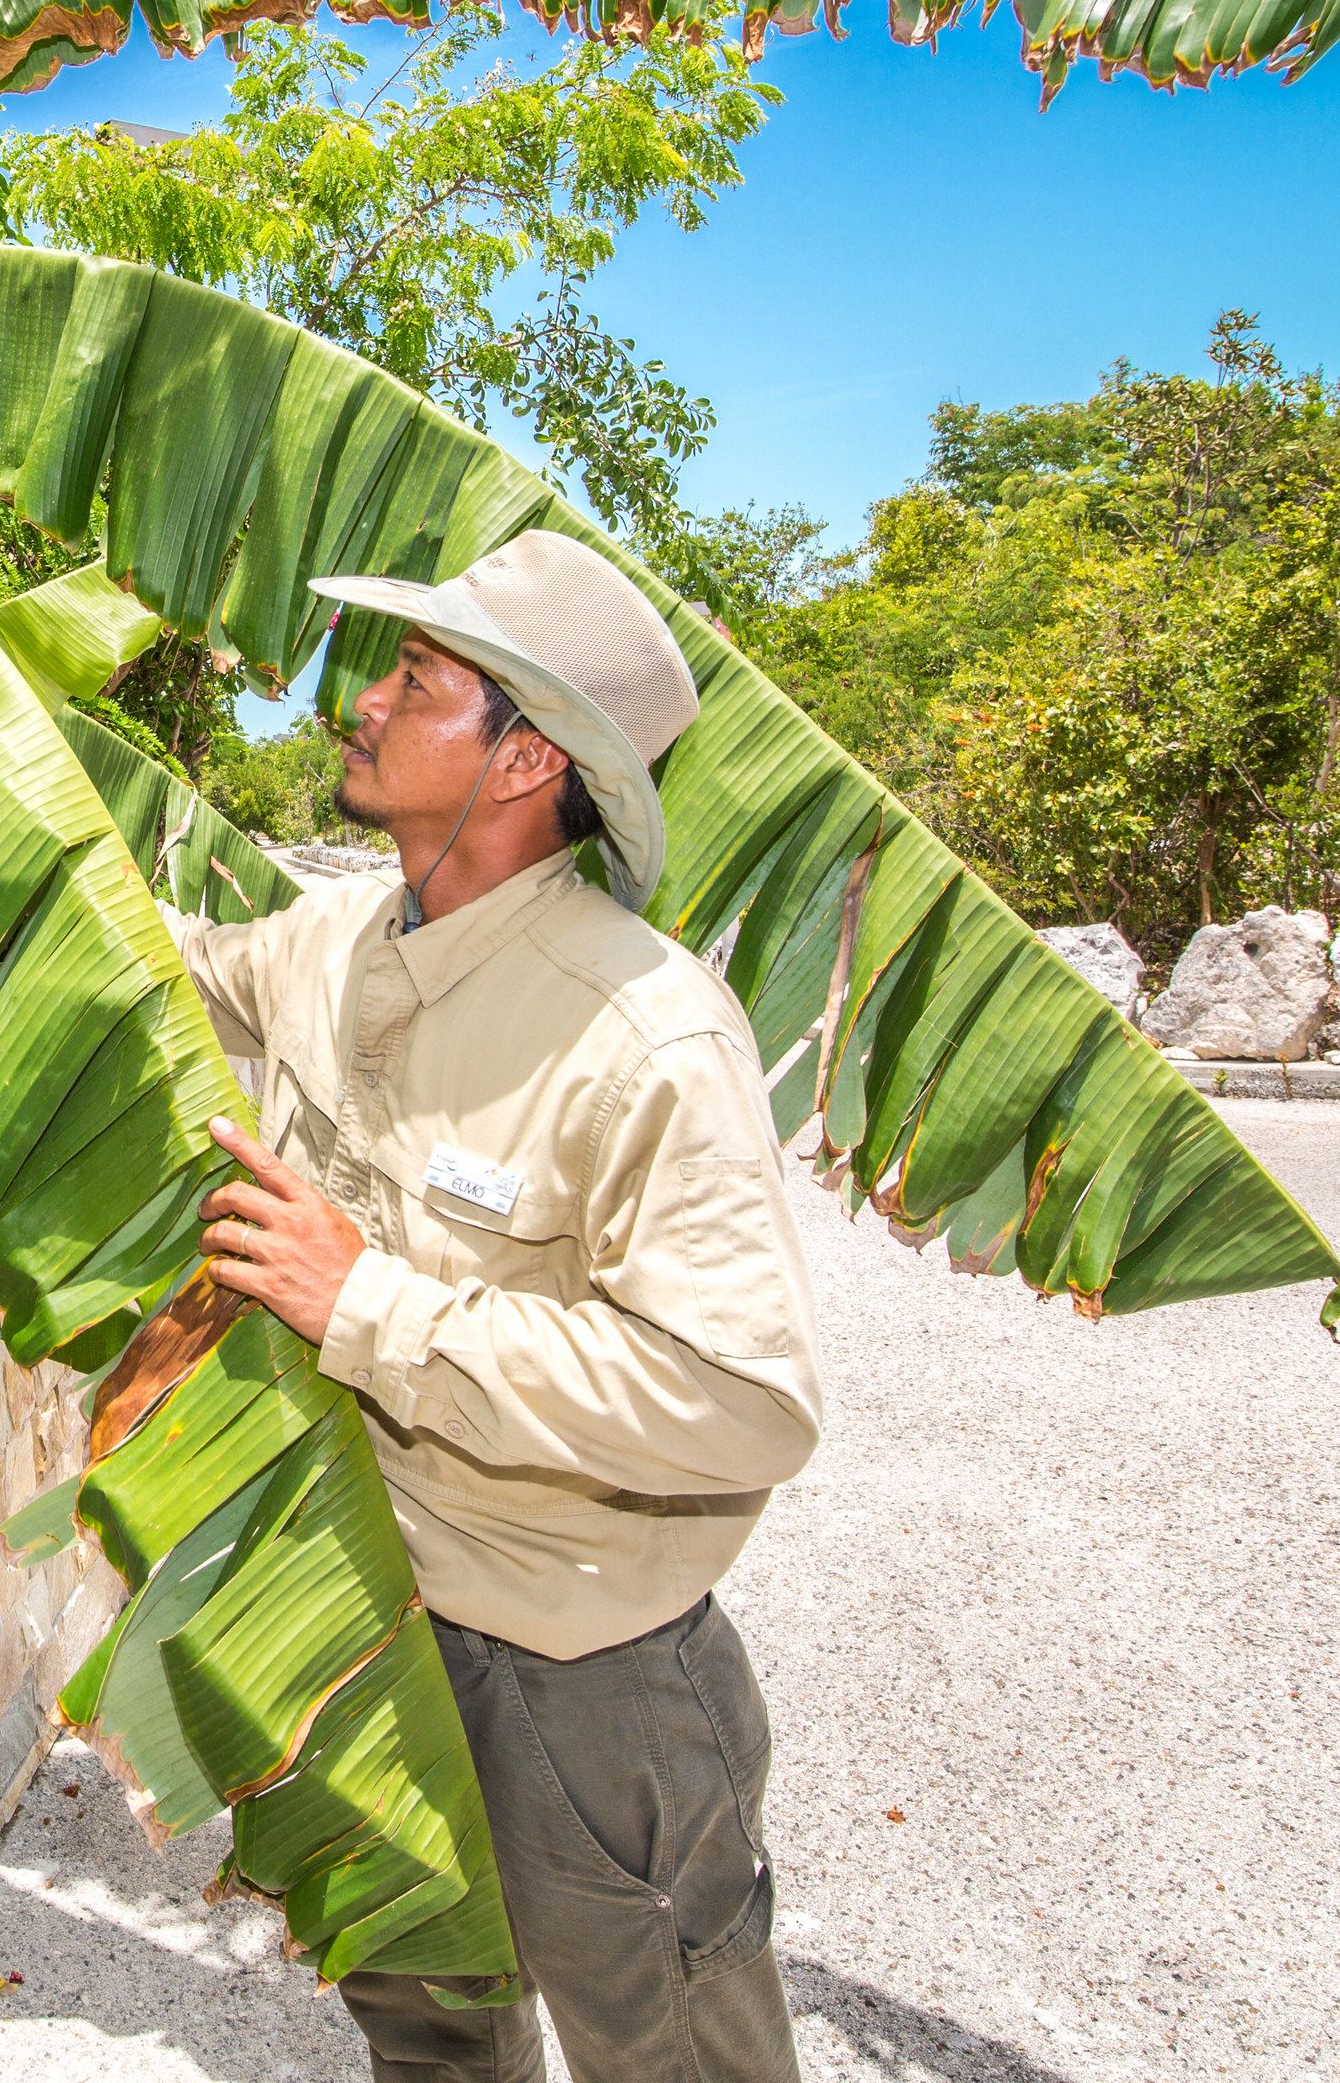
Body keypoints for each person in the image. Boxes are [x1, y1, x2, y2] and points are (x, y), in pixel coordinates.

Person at [172, 529, 822, 2083]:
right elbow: (173, 980)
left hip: (578, 1675)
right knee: (432, 2034)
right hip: (360, 1610)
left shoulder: (643, 1031)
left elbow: (747, 1399)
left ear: (526, 758)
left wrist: (369, 1306)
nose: (364, 702)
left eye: (414, 678)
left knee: (668, 2045)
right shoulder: (332, 935)